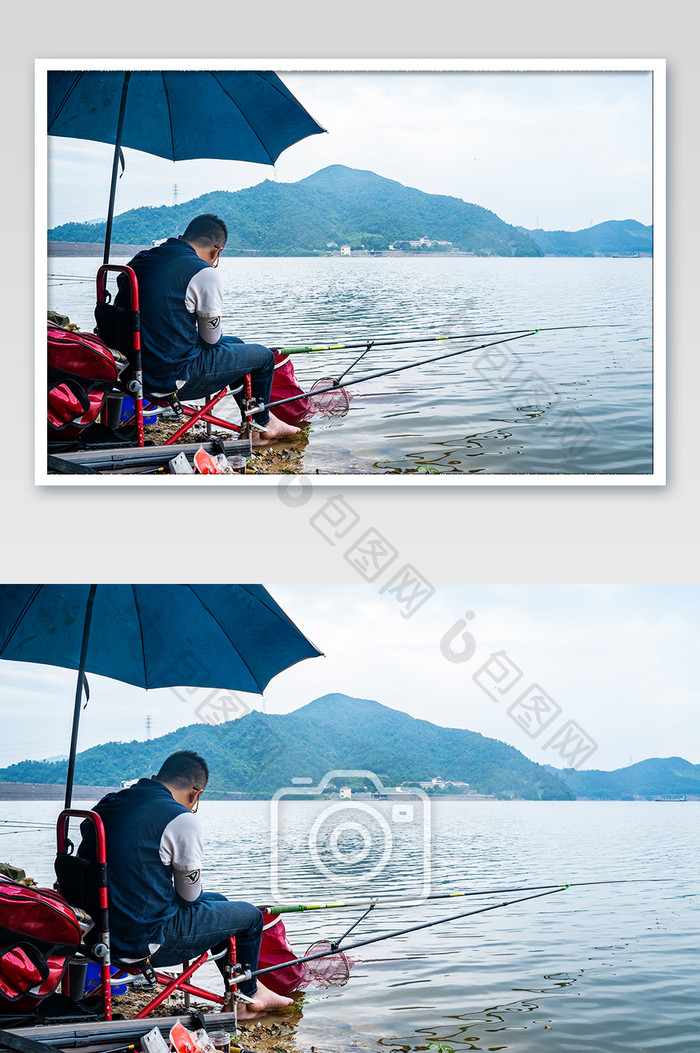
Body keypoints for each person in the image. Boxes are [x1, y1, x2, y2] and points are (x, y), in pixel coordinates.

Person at [78, 750, 291, 1018]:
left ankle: (241, 991)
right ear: (196, 794)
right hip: (141, 943)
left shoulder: (109, 803)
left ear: (157, 778)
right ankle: (249, 997)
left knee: (220, 903)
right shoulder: (180, 818)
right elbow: (189, 896)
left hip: (92, 931)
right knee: (250, 917)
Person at [116, 214, 299, 447]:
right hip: (168, 379)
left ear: (183, 237)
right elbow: (211, 341)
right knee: (263, 357)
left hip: (126, 370)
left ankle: (254, 419)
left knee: (238, 344)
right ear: (216, 252)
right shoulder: (202, 272)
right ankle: (262, 427)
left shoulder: (142, 259)